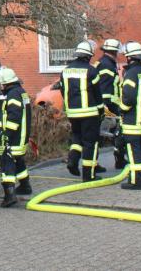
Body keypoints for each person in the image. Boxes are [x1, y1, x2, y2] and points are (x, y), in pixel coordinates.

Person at [60, 40, 103, 181]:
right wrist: (101, 110)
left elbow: (63, 90)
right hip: (89, 113)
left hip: (72, 112)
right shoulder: (91, 70)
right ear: (88, 56)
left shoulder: (65, 71)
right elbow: (97, 93)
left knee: (77, 137)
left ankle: (72, 161)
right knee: (90, 143)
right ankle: (88, 175)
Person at [0, 67, 32, 207]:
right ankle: (25, 186)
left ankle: (9, 195)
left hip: (13, 137)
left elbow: (14, 118)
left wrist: (5, 136)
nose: (0, 86)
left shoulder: (13, 94)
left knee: (7, 164)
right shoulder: (20, 92)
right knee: (18, 160)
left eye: (1, 84)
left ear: (6, 83)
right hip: (21, 136)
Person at [117, 41, 141, 190]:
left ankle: (136, 181)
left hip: (132, 120)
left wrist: (121, 109)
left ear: (129, 58)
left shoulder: (131, 74)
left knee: (134, 151)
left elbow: (129, 98)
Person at [95, 39, 121, 171]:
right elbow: (104, 88)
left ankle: (119, 159)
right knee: (117, 133)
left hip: (109, 105)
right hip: (109, 106)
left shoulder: (106, 63)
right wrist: (107, 107)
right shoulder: (106, 65)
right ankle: (120, 160)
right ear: (115, 51)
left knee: (99, 135)